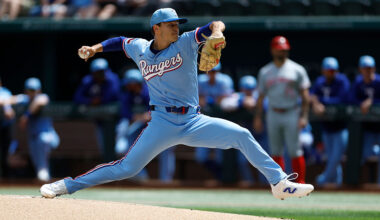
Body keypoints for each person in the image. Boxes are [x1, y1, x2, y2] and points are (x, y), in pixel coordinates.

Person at [40, 8, 313, 199]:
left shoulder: (185, 42)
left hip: (194, 121)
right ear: (156, 28)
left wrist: (216, 33)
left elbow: (215, 24)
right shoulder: (140, 48)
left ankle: (278, 183)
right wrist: (95, 48)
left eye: (177, 23)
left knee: (241, 134)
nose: (176, 27)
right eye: (171, 24)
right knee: (127, 168)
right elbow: (119, 42)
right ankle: (66, 185)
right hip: (161, 123)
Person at [254, 36, 311, 183]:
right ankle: (279, 184)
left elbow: (305, 96)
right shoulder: (266, 71)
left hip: (291, 111)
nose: (282, 53)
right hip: (273, 112)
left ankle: (300, 183)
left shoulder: (297, 69)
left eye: (284, 50)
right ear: (273, 50)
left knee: (295, 150)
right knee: (275, 151)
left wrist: (304, 116)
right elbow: (260, 97)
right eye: (279, 50)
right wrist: (258, 117)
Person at [310, 57, 350, 186]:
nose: (330, 73)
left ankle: (323, 179)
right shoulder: (320, 81)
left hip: (340, 126)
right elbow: (312, 95)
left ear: (337, 71)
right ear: (323, 71)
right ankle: (336, 183)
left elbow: (342, 99)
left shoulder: (342, 81)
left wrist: (321, 102)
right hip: (326, 127)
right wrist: (316, 102)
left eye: (333, 71)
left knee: (336, 157)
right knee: (331, 157)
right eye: (328, 70)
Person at [11, 78, 60, 182]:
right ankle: (43, 176)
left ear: (39, 90)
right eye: (30, 90)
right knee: (38, 164)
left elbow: (39, 102)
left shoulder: (43, 97)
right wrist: (7, 106)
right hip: (33, 140)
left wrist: (26, 116)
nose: (33, 92)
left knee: (42, 139)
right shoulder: (24, 99)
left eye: (35, 90)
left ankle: (43, 172)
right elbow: (8, 99)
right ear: (26, 90)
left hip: (50, 138)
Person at [74, 58, 120, 158]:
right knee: (104, 148)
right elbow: (77, 97)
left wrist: (100, 100)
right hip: (100, 121)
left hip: (118, 120)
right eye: (97, 72)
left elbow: (113, 95)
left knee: (120, 148)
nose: (100, 74)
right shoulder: (88, 81)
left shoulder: (112, 79)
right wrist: (90, 101)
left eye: (102, 72)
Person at [196, 63, 233, 182]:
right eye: (210, 71)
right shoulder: (201, 81)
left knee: (220, 156)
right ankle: (217, 174)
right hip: (203, 122)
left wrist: (209, 101)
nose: (212, 74)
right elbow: (198, 99)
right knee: (200, 156)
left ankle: (222, 179)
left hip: (220, 121)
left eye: (215, 71)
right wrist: (208, 101)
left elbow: (224, 100)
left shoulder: (225, 81)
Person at [350, 55, 380, 184]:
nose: (368, 71)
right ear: (361, 69)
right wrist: (361, 103)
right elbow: (350, 99)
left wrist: (372, 102)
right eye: (365, 68)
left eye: (370, 68)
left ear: (374, 68)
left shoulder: (378, 82)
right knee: (365, 155)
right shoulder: (358, 82)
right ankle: (360, 184)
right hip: (367, 129)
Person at [0, 78, 15, 178]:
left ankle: (5, 177)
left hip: (4, 127)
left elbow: (8, 112)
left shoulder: (5, 92)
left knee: (5, 154)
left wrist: (6, 107)